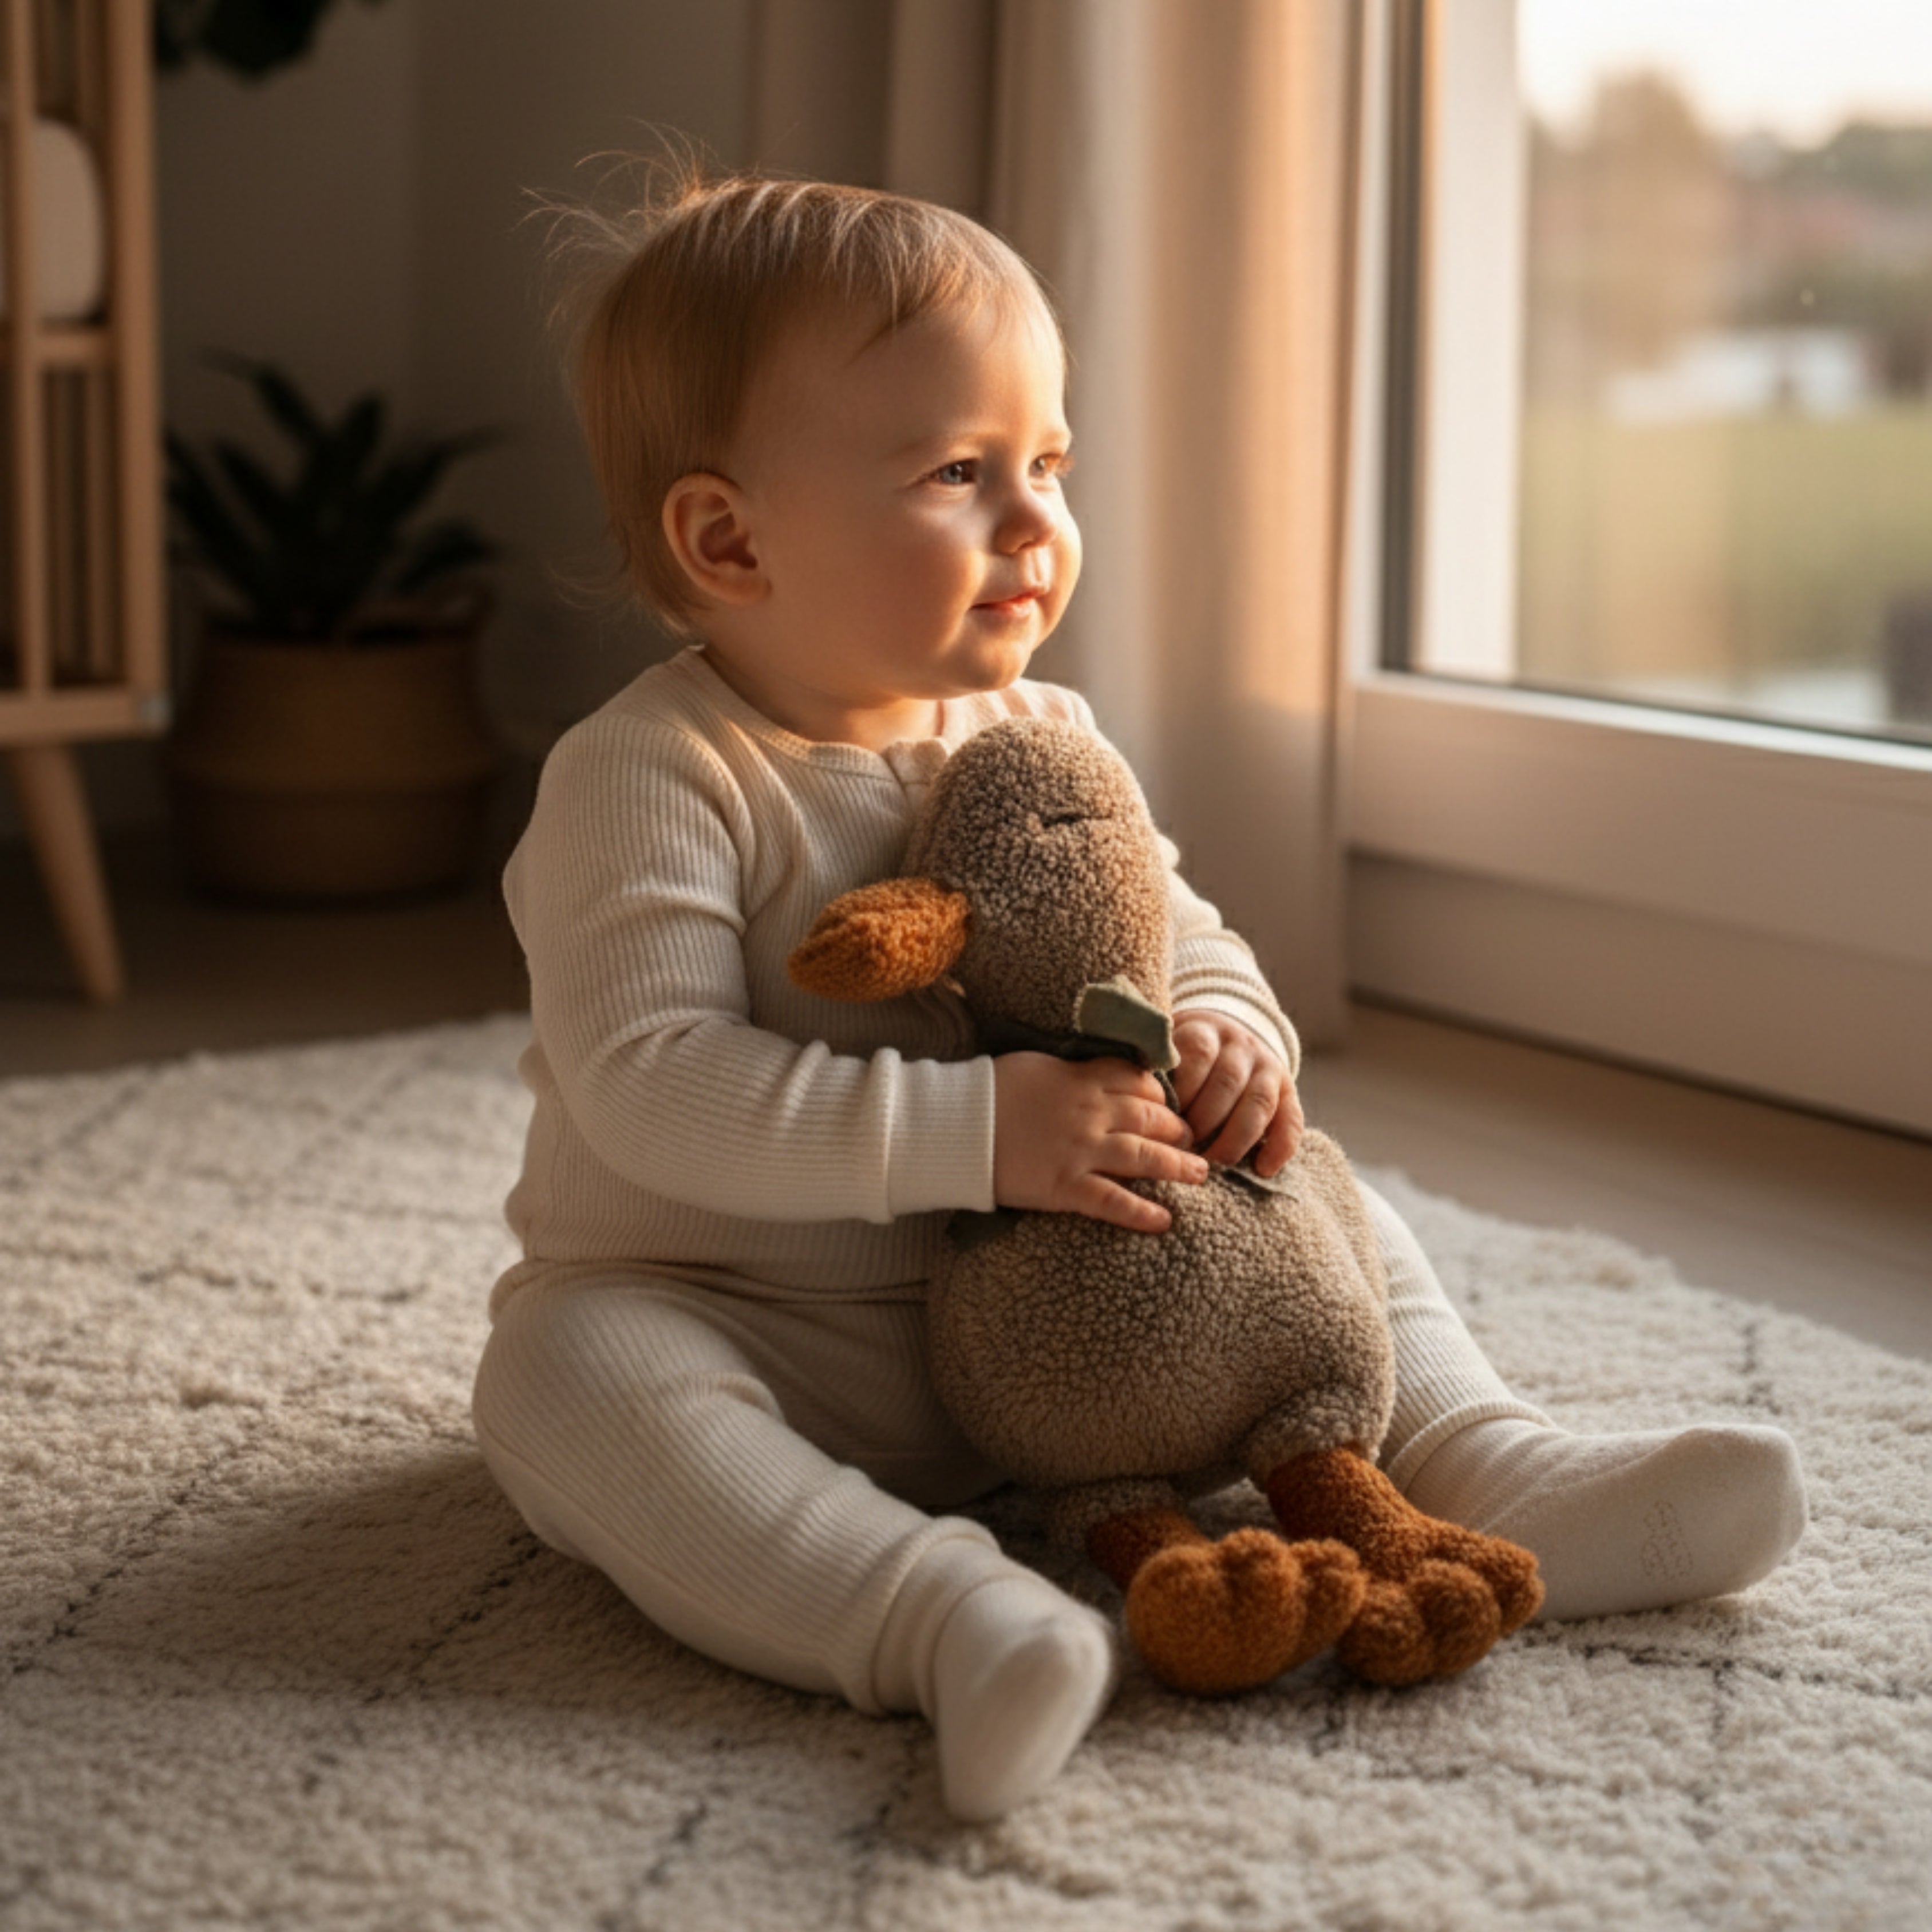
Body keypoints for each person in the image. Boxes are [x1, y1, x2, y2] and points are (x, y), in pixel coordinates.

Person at [472, 167, 1806, 1823]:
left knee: (1313, 1194)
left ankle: (1487, 1466)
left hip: (1079, 1335)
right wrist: (981, 1131)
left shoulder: (1046, 735)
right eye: (959, 474)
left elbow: (1183, 935)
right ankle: (944, 1620)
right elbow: (648, 1080)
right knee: (571, 1379)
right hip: (766, 1328)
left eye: (1049, 464)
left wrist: (1235, 1038)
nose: (1035, 524)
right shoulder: (650, 775)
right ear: (729, 538)